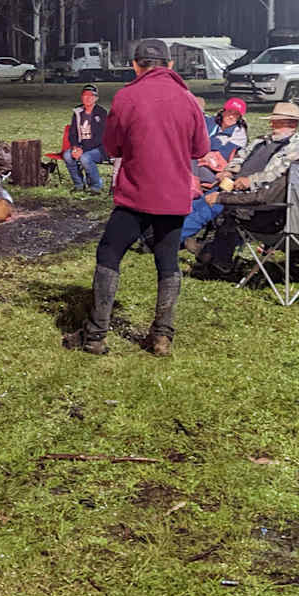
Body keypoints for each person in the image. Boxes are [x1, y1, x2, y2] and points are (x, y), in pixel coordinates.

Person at [62, 39, 209, 358]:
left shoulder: (127, 96)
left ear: (135, 65)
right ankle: (161, 337)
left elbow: (112, 147)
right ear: (170, 66)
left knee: (110, 251)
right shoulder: (187, 100)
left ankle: (96, 334)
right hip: (173, 196)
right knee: (167, 259)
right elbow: (200, 149)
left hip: (136, 194)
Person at [196, 108, 299, 279]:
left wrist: (222, 198)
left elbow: (264, 198)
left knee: (233, 212)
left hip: (287, 231)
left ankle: (221, 266)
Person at [180, 101, 299, 252]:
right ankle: (165, 236)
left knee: (211, 206)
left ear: (291, 124)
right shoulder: (263, 140)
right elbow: (241, 156)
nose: (272, 125)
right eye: (273, 121)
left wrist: (249, 181)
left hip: (255, 196)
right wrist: (230, 171)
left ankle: (172, 241)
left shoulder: (295, 146)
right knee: (198, 203)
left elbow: (277, 174)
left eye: (276, 122)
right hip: (232, 185)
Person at [62, 84, 108, 192]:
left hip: (100, 148)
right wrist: (75, 147)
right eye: (85, 95)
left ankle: (96, 186)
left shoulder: (101, 113)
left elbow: (101, 137)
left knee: (85, 158)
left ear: (96, 98)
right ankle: (79, 184)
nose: (87, 98)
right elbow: (72, 133)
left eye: (91, 95)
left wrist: (82, 150)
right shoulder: (77, 112)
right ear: (81, 97)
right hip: (81, 146)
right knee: (67, 156)